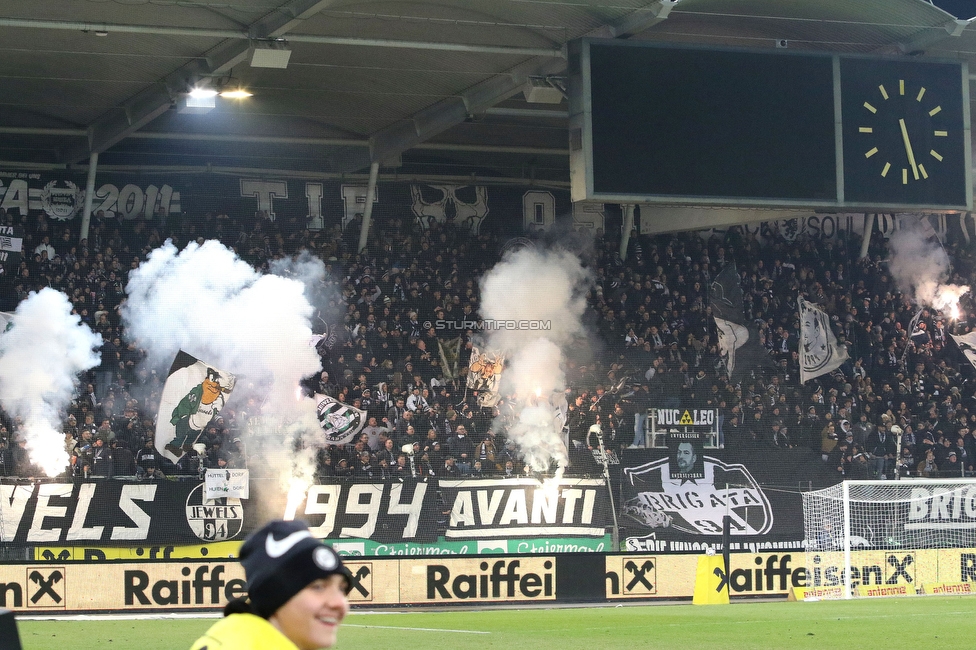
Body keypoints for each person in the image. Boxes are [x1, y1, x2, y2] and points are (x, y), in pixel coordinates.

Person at [190, 519, 351, 650]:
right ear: (275, 594)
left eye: (342, 589)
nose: (340, 603)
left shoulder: (236, 637)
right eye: (318, 587)